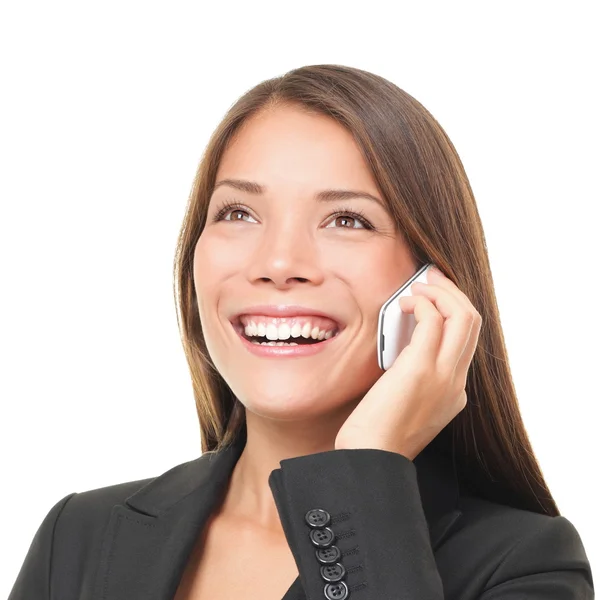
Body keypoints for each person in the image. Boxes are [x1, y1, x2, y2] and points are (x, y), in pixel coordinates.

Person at [8, 64, 594, 600]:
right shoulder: (78, 537)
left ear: (433, 285)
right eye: (238, 213)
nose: (279, 261)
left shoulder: (525, 564)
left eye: (347, 219)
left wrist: (368, 470)